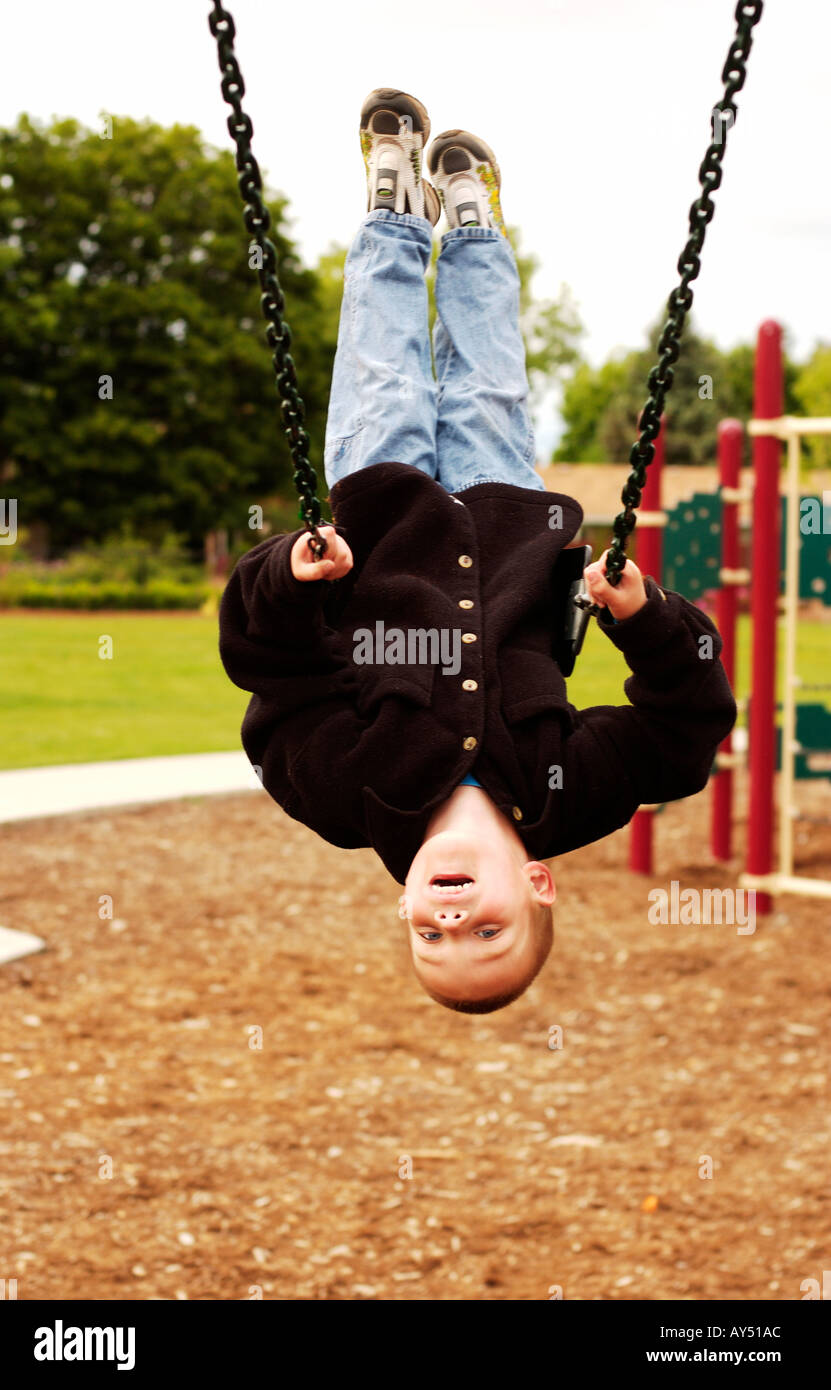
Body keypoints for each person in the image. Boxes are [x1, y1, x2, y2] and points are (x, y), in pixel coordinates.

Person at [218, 89, 737, 1014]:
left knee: (382, 361)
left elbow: (266, 668)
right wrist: (646, 618)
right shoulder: (565, 794)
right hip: (505, 514)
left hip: (376, 509)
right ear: (538, 884)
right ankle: (470, 225)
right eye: (484, 933)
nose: (451, 921)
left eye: (431, 937)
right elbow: (685, 730)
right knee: (490, 374)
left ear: (405, 908)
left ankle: (389, 212)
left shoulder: (345, 796)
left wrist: (289, 580)